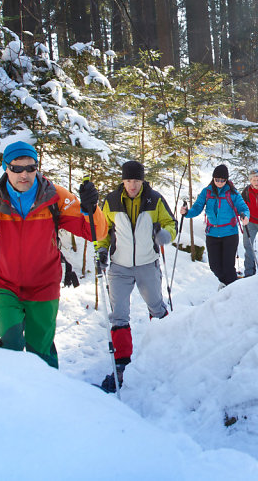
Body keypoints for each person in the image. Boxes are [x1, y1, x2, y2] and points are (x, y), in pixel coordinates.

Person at [0, 141, 106, 368]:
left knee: (40, 353)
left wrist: (90, 208)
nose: (24, 174)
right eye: (17, 168)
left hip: (44, 286)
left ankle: (48, 397)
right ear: (6, 168)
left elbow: (95, 232)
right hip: (5, 284)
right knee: (11, 344)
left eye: (30, 168)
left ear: (37, 167)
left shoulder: (55, 197)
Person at [94, 161, 176, 392]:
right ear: (123, 180)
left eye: (136, 180)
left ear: (142, 181)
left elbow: (172, 223)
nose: (132, 185)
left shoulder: (155, 199)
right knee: (119, 314)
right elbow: (103, 230)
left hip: (147, 264)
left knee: (157, 308)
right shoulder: (110, 201)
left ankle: (165, 352)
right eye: (129, 180)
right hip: (119, 267)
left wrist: (165, 235)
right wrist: (101, 250)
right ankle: (121, 363)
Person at [180, 165, 249, 288]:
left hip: (229, 233)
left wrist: (245, 216)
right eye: (217, 179)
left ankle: (231, 288)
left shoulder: (232, 193)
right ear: (213, 178)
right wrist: (187, 213)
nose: (219, 182)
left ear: (226, 180)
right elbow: (197, 208)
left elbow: (243, 208)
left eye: (222, 180)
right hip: (212, 233)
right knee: (214, 266)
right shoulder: (207, 192)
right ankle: (230, 284)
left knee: (228, 265)